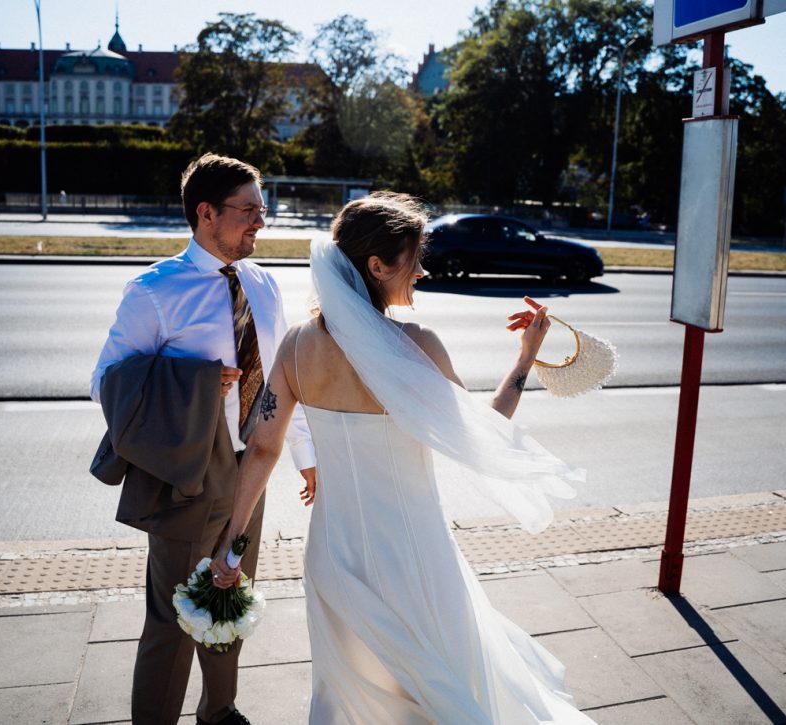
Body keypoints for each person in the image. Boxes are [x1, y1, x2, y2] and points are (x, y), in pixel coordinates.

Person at [213, 193, 594, 723]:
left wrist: (232, 545)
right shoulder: (416, 346)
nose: (420, 269)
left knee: (348, 689)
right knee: (432, 688)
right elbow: (487, 432)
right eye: (414, 257)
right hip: (414, 555)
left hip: (334, 551)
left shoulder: (297, 348)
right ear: (377, 265)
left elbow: (262, 448)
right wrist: (525, 359)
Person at [90, 153, 316, 725]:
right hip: (188, 473)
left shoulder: (263, 286)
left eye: (263, 210)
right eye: (249, 211)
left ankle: (219, 712)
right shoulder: (155, 290)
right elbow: (104, 384)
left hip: (252, 469)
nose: (260, 222)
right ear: (207, 213)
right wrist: (190, 385)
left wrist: (305, 456)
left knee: (227, 599)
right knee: (172, 618)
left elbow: (281, 379)